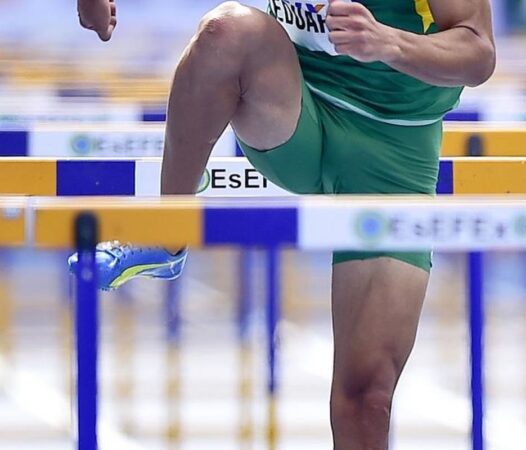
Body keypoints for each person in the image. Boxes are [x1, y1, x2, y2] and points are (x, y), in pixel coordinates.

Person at [72, 0, 495, 447]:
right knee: (226, 33)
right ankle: (168, 231)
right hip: (295, 113)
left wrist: (389, 42)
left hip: (395, 150)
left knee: (366, 396)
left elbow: (478, 50)